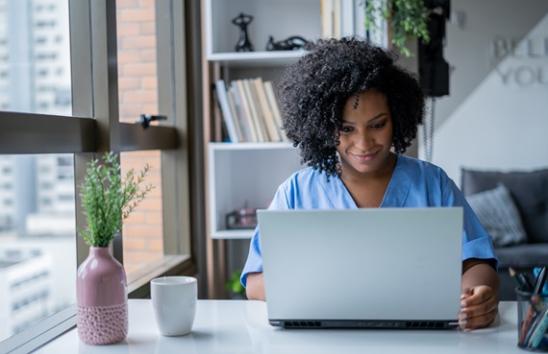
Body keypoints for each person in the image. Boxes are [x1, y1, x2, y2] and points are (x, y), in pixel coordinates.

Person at [240, 38, 499, 331]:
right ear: (323, 127)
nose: (364, 144)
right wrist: (327, 287)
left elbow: (477, 261)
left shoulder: (432, 183)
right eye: (346, 129)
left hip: (422, 341)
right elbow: (255, 282)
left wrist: (478, 295)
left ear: (397, 119)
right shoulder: (296, 192)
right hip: (323, 343)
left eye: (378, 125)